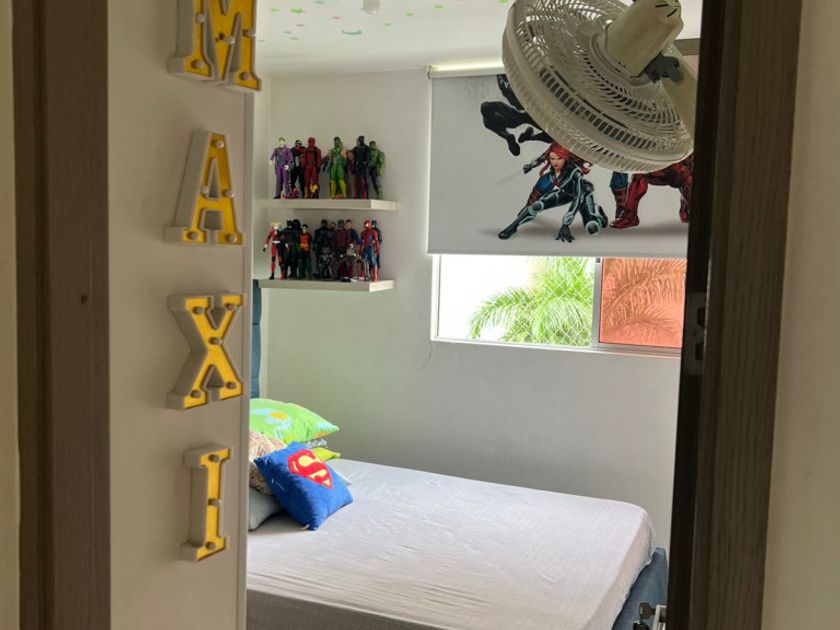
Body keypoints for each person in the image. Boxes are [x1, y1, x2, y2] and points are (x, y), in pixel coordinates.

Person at [498, 142, 607, 243]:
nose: (555, 162)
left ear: (565, 159)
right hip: (565, 193)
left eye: (559, 159)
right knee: (537, 205)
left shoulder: (575, 173)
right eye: (552, 159)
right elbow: (541, 159)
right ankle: (513, 227)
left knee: (592, 228)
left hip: (583, 195)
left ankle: (600, 218)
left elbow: (578, 198)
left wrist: (566, 223)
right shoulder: (552, 173)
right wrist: (530, 165)